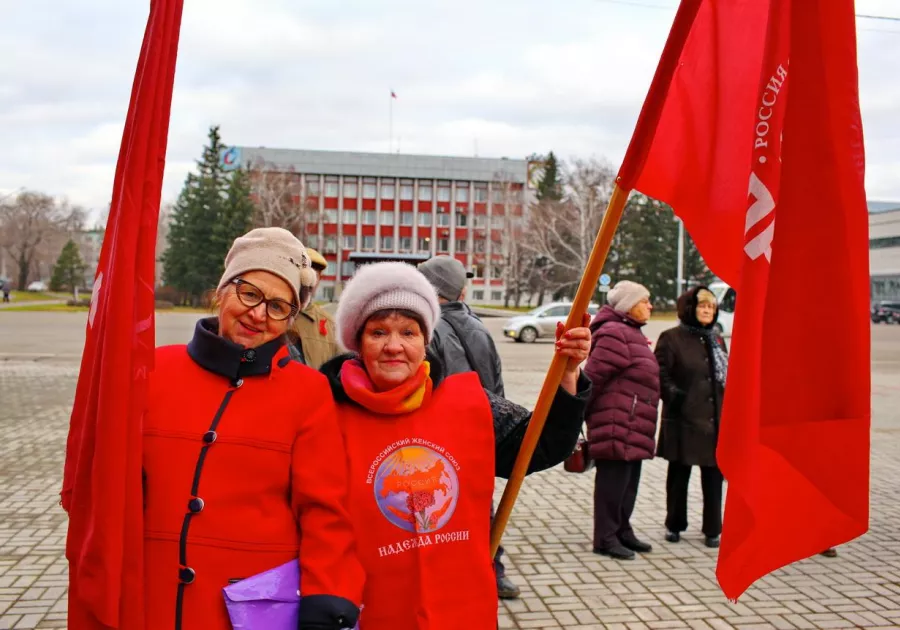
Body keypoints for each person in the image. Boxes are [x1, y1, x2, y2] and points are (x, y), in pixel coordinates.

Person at [320, 261, 592, 629]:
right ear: (358, 341)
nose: (394, 346)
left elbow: (539, 444)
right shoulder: (325, 412)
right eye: (378, 332)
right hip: (367, 609)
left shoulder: (468, 402)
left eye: (409, 332)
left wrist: (569, 373)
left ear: (425, 339)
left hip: (459, 607)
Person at [137, 228, 362, 629]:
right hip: (149, 600)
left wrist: (325, 592)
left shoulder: (308, 391)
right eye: (250, 293)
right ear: (222, 291)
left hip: (252, 609)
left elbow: (323, 509)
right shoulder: (153, 371)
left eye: (278, 306)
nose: (258, 314)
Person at [419, 255, 519, 599]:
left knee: (438, 514)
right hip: (481, 433)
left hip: (442, 439)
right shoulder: (479, 327)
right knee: (481, 507)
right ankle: (493, 570)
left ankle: (457, 576)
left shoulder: (427, 329)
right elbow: (498, 386)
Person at [584, 281, 660, 560]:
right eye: (644, 300)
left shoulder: (631, 333)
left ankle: (622, 530)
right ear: (628, 305)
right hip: (616, 424)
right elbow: (592, 379)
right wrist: (582, 417)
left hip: (634, 424)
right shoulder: (615, 334)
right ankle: (604, 538)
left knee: (629, 484)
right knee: (612, 484)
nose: (650, 305)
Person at [655, 286, 729, 549]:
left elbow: (724, 376)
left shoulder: (716, 338)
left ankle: (712, 529)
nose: (707, 311)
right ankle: (674, 525)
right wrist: (677, 397)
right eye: (702, 306)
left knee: (713, 477)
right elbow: (660, 375)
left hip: (713, 420)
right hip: (684, 419)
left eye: (710, 307)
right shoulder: (671, 338)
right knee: (678, 475)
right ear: (689, 309)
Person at [289, 247, 340, 370]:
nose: (309, 282)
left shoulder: (331, 325)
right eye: (303, 274)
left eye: (314, 276)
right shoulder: (268, 314)